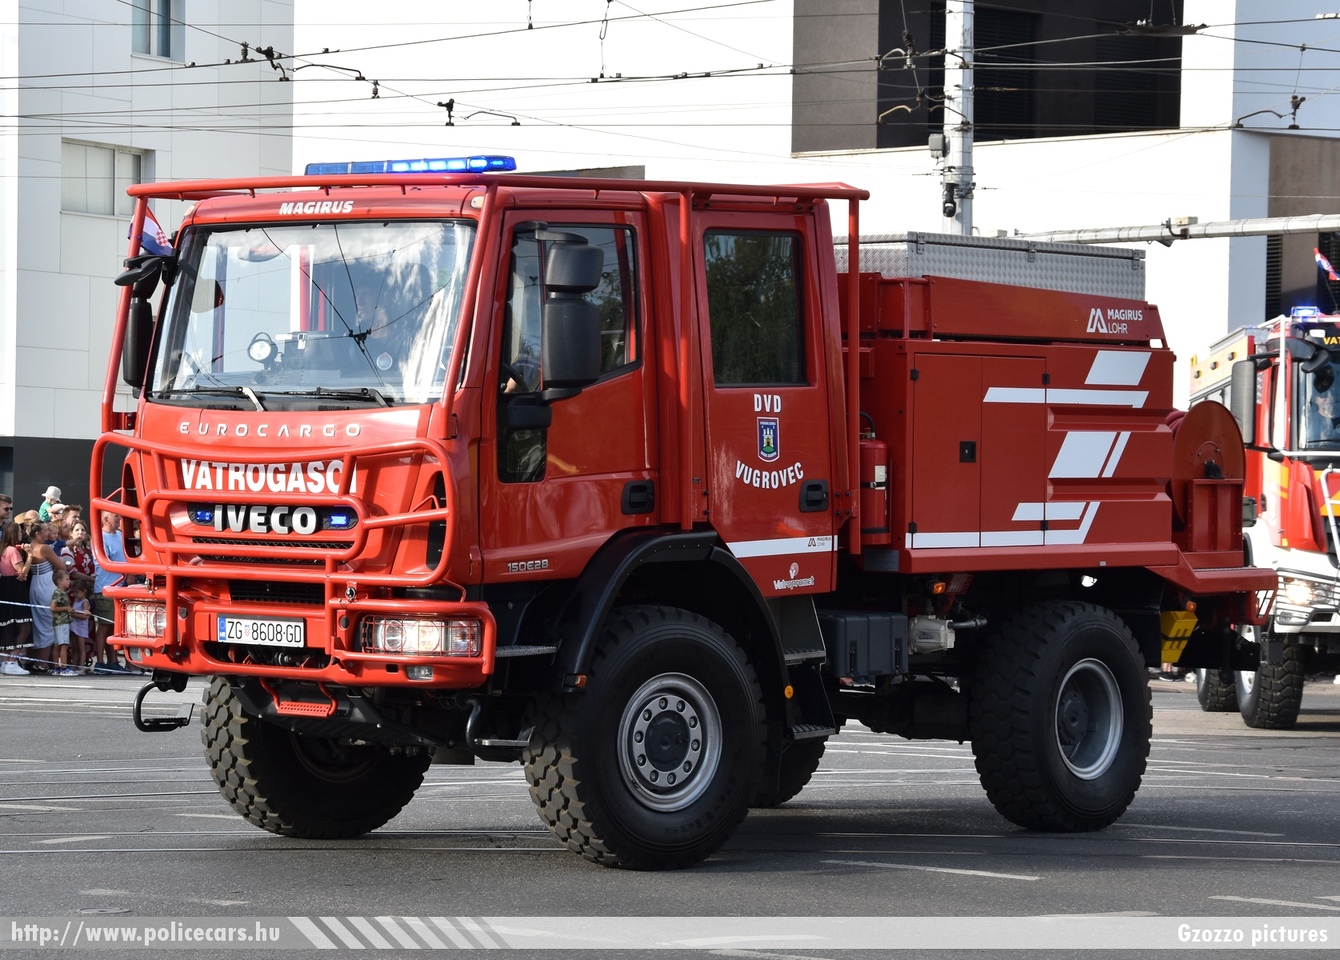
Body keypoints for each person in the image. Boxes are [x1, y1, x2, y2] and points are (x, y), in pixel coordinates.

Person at [24, 521, 67, 673]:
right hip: (46, 583)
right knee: (49, 623)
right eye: (45, 531)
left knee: (38, 622)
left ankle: (32, 659)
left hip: (34, 584)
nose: (47, 534)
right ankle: (41, 663)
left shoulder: (29, 546)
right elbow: (62, 566)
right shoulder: (44, 548)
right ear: (38, 534)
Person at [93, 513, 128, 672]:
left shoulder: (120, 535)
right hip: (105, 588)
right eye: (116, 517)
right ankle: (100, 662)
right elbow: (105, 562)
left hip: (121, 588)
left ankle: (113, 662)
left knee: (115, 627)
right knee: (105, 626)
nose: (120, 519)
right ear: (106, 519)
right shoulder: (100, 538)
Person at [0, 521, 33, 674]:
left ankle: (6, 661)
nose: (21, 535)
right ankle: (12, 659)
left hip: (6, 586)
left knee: (9, 625)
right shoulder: (13, 550)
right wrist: (30, 557)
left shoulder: (3, 549)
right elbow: (22, 573)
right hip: (15, 588)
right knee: (23, 625)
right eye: (19, 532)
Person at [49, 570, 75, 675]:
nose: (69, 582)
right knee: (63, 645)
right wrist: (66, 608)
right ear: (60, 581)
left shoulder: (62, 593)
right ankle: (64, 668)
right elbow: (53, 608)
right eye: (67, 579)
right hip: (62, 622)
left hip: (59, 622)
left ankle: (56, 668)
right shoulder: (58, 593)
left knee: (57, 645)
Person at [68, 578, 91, 672]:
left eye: (77, 592)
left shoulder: (85, 601)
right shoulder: (76, 601)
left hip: (81, 627)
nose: (75, 594)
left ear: (84, 591)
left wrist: (72, 614)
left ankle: (81, 666)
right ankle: (74, 664)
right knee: (75, 647)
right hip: (74, 626)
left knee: (81, 648)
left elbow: (84, 616)